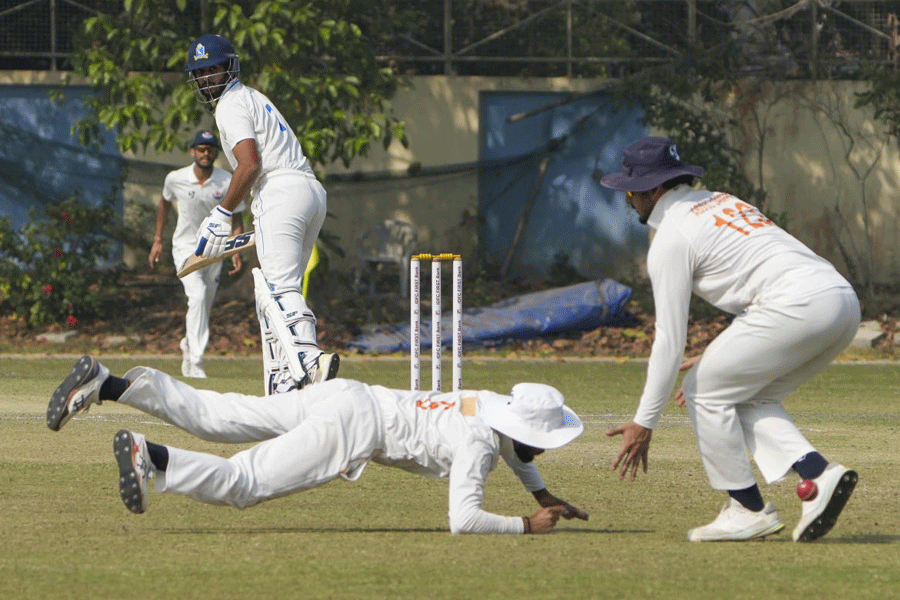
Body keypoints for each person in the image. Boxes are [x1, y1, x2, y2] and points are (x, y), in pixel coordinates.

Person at [600, 136, 859, 543]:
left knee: (702, 390)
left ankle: (746, 509)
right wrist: (725, 348)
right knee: (746, 395)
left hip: (795, 306)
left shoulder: (671, 237)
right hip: (840, 302)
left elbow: (669, 339)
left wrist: (644, 421)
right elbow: (756, 277)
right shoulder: (722, 200)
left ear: (653, 189)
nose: (628, 200)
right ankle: (818, 474)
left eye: (631, 191)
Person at [46, 356, 589, 535]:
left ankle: (109, 384)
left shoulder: (489, 402)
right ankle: (154, 457)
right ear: (521, 430)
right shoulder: (478, 445)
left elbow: (516, 449)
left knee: (219, 414)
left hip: (347, 393)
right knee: (245, 483)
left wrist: (542, 494)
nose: (541, 450)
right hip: (354, 429)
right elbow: (463, 520)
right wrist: (524, 525)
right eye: (543, 442)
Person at [184, 33, 339, 394]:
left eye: (213, 69)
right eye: (201, 71)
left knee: (277, 289)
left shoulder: (229, 104)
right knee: (277, 293)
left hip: (279, 191)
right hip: (310, 191)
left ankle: (310, 359)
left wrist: (220, 215)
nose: (207, 77)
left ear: (229, 67)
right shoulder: (253, 96)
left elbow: (249, 165)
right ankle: (286, 378)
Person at [149, 130, 245, 379]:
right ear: (193, 152)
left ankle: (188, 346)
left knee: (205, 303)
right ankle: (196, 361)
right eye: (201, 149)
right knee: (198, 296)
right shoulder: (175, 178)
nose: (206, 153)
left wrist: (236, 247)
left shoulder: (227, 180)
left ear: (215, 153)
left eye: (210, 149)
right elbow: (164, 203)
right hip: (185, 247)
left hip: (215, 248)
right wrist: (158, 240)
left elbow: (236, 214)